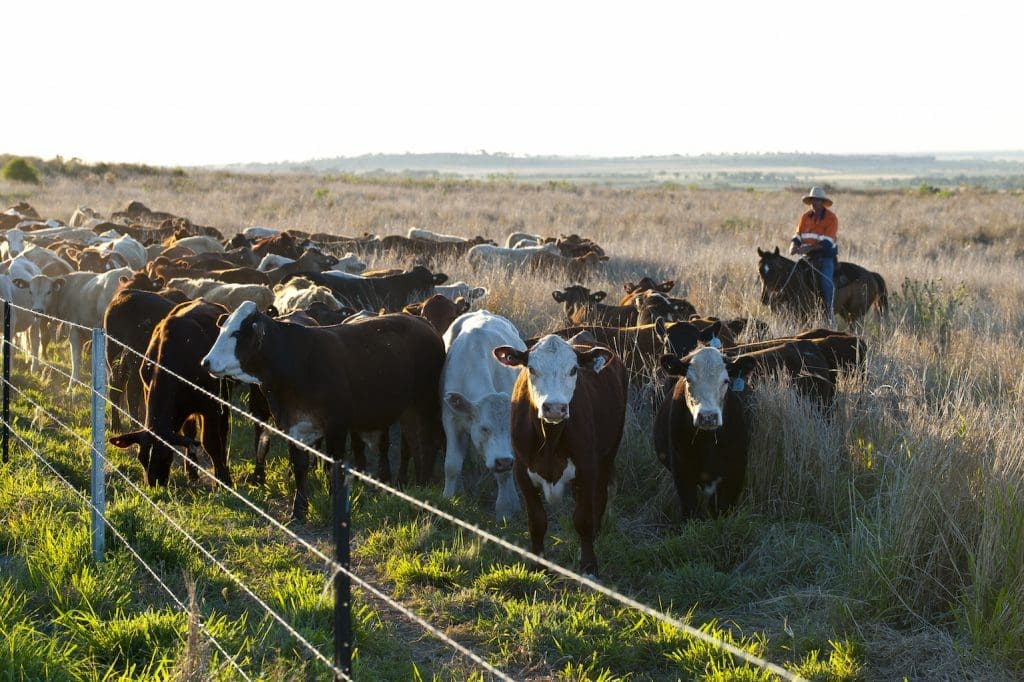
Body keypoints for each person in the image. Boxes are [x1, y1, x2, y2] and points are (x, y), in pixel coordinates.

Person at [789, 186, 838, 324]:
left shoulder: (831, 218)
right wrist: (793, 245)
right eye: (812, 200)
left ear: (823, 202)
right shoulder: (805, 217)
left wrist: (807, 249)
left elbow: (827, 243)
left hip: (825, 257)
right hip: (807, 258)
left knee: (826, 283)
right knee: (791, 277)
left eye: (817, 200)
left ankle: (829, 315)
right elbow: (798, 234)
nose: (814, 203)